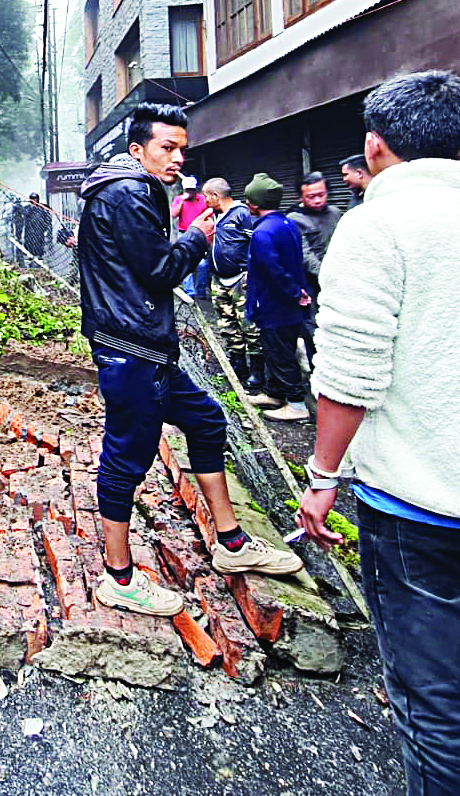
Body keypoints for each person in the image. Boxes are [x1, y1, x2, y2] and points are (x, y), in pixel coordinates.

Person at [298, 70, 460, 796]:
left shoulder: (376, 227)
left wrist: (322, 478)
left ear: (374, 146)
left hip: (418, 511)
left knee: (434, 704)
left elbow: (349, 377)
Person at [77, 105, 302, 618]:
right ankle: (119, 578)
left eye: (182, 148)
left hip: (144, 345)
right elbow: (158, 272)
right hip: (130, 349)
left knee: (206, 419)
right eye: (167, 148)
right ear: (138, 150)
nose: (178, 158)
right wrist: (200, 237)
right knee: (126, 457)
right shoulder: (131, 193)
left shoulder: (133, 188)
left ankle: (231, 542)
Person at [243, 173, 313, 423]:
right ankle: (274, 393)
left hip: (274, 305)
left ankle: (296, 404)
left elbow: (273, 271)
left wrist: (294, 292)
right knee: (275, 350)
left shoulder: (262, 233)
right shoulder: (287, 224)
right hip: (288, 304)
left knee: (281, 354)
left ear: (254, 203)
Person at [204, 178, 261, 392]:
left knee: (249, 325)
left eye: (206, 196)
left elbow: (255, 243)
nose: (205, 200)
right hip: (219, 279)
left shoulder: (241, 214)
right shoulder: (215, 216)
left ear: (215, 196)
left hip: (241, 279)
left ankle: (257, 370)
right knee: (227, 325)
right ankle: (238, 366)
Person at [287, 171, 342, 362]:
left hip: (338, 280)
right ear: (301, 196)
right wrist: (328, 276)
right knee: (313, 328)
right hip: (310, 283)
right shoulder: (295, 219)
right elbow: (305, 255)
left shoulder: (335, 213)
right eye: (311, 196)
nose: (318, 200)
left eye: (322, 194)